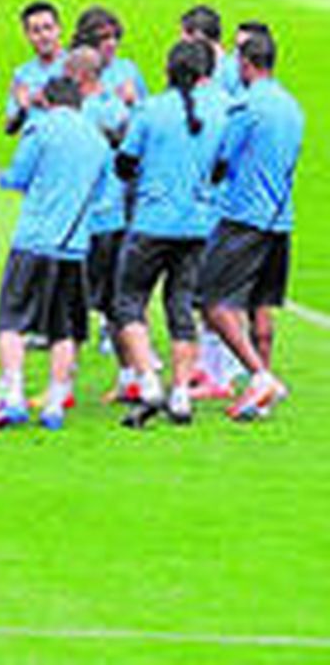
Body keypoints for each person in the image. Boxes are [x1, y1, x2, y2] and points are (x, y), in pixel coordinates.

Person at [0, 77, 109, 431]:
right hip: (74, 244)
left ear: (49, 101)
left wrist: (1, 177)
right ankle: (55, 403)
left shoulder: (40, 129)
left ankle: (14, 395)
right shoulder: (97, 139)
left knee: (11, 320)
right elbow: (101, 191)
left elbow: (20, 175)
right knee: (64, 328)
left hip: (34, 241)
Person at [113, 41, 228, 429]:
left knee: (128, 301)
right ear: (205, 73)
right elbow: (221, 168)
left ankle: (148, 382)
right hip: (197, 222)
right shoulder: (222, 110)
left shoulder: (150, 110)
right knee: (180, 305)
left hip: (153, 221)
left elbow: (125, 164)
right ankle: (180, 392)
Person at [199, 30, 303, 421]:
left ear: (245, 64)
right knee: (262, 302)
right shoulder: (292, 105)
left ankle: (260, 377)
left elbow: (222, 158)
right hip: (280, 216)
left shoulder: (245, 106)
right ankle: (261, 389)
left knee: (212, 299)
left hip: (245, 215)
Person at [65, 46, 133, 399]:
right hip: (117, 218)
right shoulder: (117, 107)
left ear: (79, 75)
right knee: (114, 306)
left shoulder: (78, 115)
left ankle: (62, 387)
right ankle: (132, 377)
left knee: (70, 306)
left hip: (87, 222)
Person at [4, 1, 65, 135]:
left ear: (59, 29)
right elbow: (9, 129)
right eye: (36, 31)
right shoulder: (22, 75)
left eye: (48, 28)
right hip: (35, 150)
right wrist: (23, 108)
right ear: (27, 35)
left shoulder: (78, 65)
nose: (43, 36)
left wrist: (51, 102)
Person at [73, 6, 147, 106]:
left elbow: (145, 108)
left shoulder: (127, 69)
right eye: (104, 38)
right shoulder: (71, 69)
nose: (112, 43)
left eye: (115, 37)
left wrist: (133, 101)